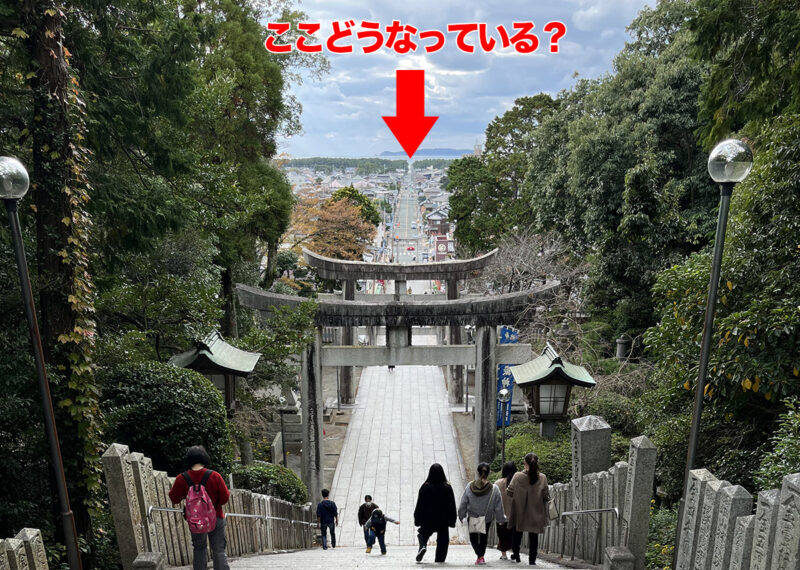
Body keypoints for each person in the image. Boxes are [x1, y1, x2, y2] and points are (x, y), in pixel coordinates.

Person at [168, 446, 230, 570]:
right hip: (216, 517)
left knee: (199, 548)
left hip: (195, 520)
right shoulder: (215, 476)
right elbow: (225, 498)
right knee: (218, 549)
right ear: (204, 458)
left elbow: (174, 498)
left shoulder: (182, 478)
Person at [459, 462, 507, 565]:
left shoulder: (469, 486)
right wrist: (501, 519)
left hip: (472, 516)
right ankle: (481, 556)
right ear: (489, 473)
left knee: (473, 537)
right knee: (484, 536)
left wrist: (461, 514)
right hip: (487, 518)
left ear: (477, 472)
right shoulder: (494, 489)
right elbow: (498, 506)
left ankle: (479, 555)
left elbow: (464, 502)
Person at [507, 453, 549, 565]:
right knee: (533, 536)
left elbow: (509, 492)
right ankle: (532, 560)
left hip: (520, 510)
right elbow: (546, 495)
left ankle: (516, 554)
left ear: (525, 463)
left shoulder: (517, 476)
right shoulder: (543, 477)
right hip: (536, 511)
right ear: (537, 463)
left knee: (517, 533)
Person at [413, 463, 457, 563]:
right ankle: (439, 560)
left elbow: (419, 504)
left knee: (423, 534)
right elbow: (452, 505)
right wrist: (452, 520)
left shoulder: (425, 487)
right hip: (443, 520)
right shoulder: (447, 487)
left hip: (427, 519)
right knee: (443, 540)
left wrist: (417, 519)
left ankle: (423, 546)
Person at [494, 461, 518, 560]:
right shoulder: (517, 482)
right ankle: (516, 553)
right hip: (515, 514)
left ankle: (504, 554)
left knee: (502, 535)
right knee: (515, 535)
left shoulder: (498, 483)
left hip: (501, 514)